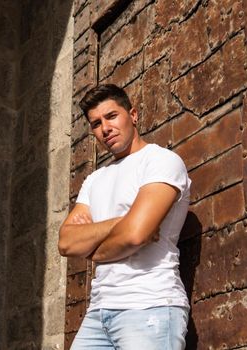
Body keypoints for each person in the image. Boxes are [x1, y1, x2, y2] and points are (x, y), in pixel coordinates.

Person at [58, 84, 190, 349]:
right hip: (98, 313)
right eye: (96, 123)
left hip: (149, 305)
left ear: (133, 115)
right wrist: (123, 221)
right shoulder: (95, 180)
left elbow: (135, 235)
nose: (104, 128)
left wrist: (93, 245)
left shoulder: (161, 161)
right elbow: (66, 242)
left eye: (111, 116)